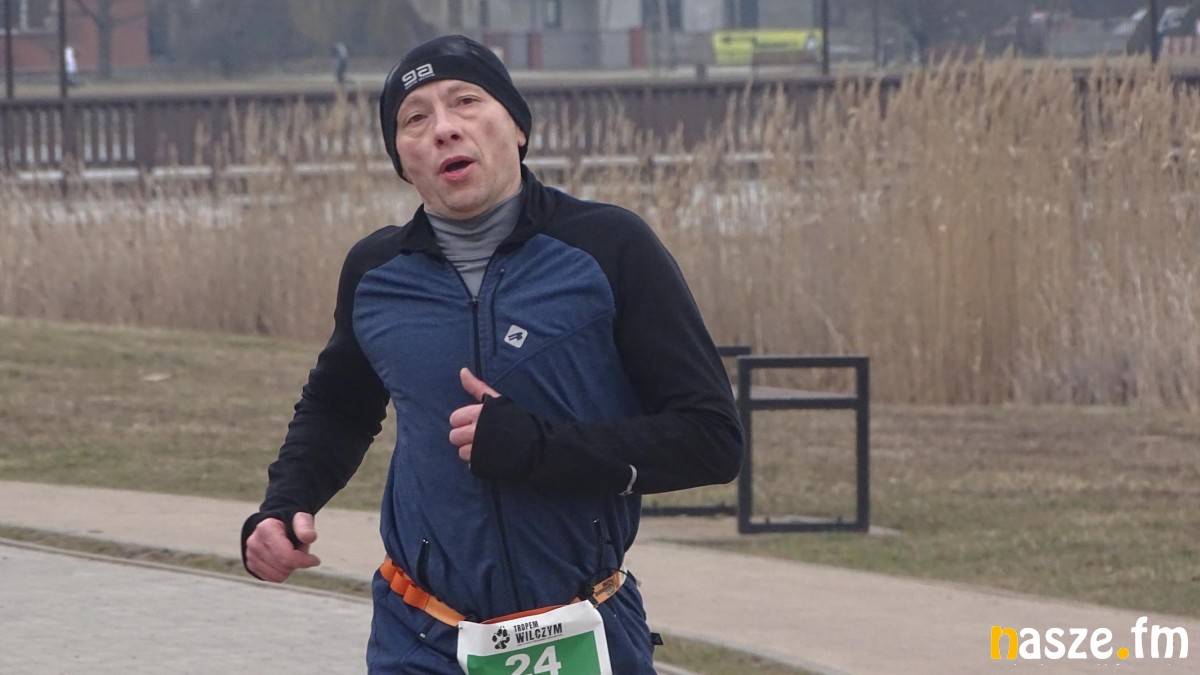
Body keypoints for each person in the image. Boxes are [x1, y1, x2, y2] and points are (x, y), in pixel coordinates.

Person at [241, 34, 743, 674]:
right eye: (414, 119)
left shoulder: (609, 248)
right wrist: (284, 505)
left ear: (518, 128)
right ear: (403, 162)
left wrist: (541, 450)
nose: (443, 128)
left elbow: (710, 440)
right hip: (421, 634)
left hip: (578, 629)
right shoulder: (375, 273)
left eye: (466, 101)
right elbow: (338, 409)